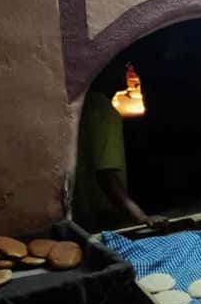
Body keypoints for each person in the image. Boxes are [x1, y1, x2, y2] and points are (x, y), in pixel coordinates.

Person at [72, 63, 168, 231]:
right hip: (105, 216)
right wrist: (140, 217)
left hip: (81, 213)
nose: (129, 71)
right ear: (105, 71)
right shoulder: (103, 112)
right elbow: (106, 174)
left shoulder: (83, 107)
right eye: (123, 66)